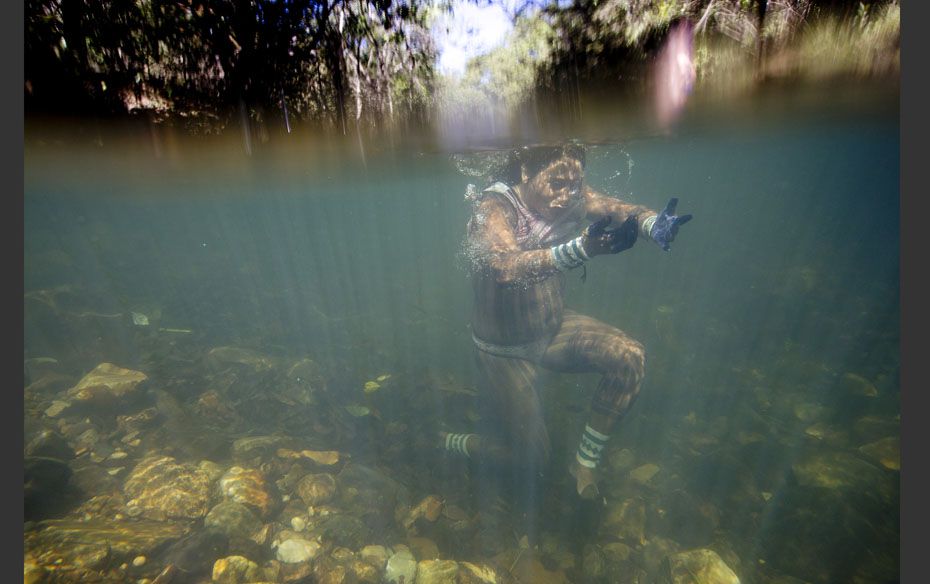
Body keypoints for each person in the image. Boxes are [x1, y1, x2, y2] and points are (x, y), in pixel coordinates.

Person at [443, 144, 692, 499]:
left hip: (554, 328)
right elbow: (504, 267)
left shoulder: (572, 194)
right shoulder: (494, 207)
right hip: (504, 351)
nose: (565, 196)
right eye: (557, 182)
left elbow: (620, 210)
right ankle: (460, 442)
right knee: (532, 459)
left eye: (573, 185)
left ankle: (585, 461)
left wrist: (654, 225)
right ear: (526, 172)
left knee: (629, 357)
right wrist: (583, 249)